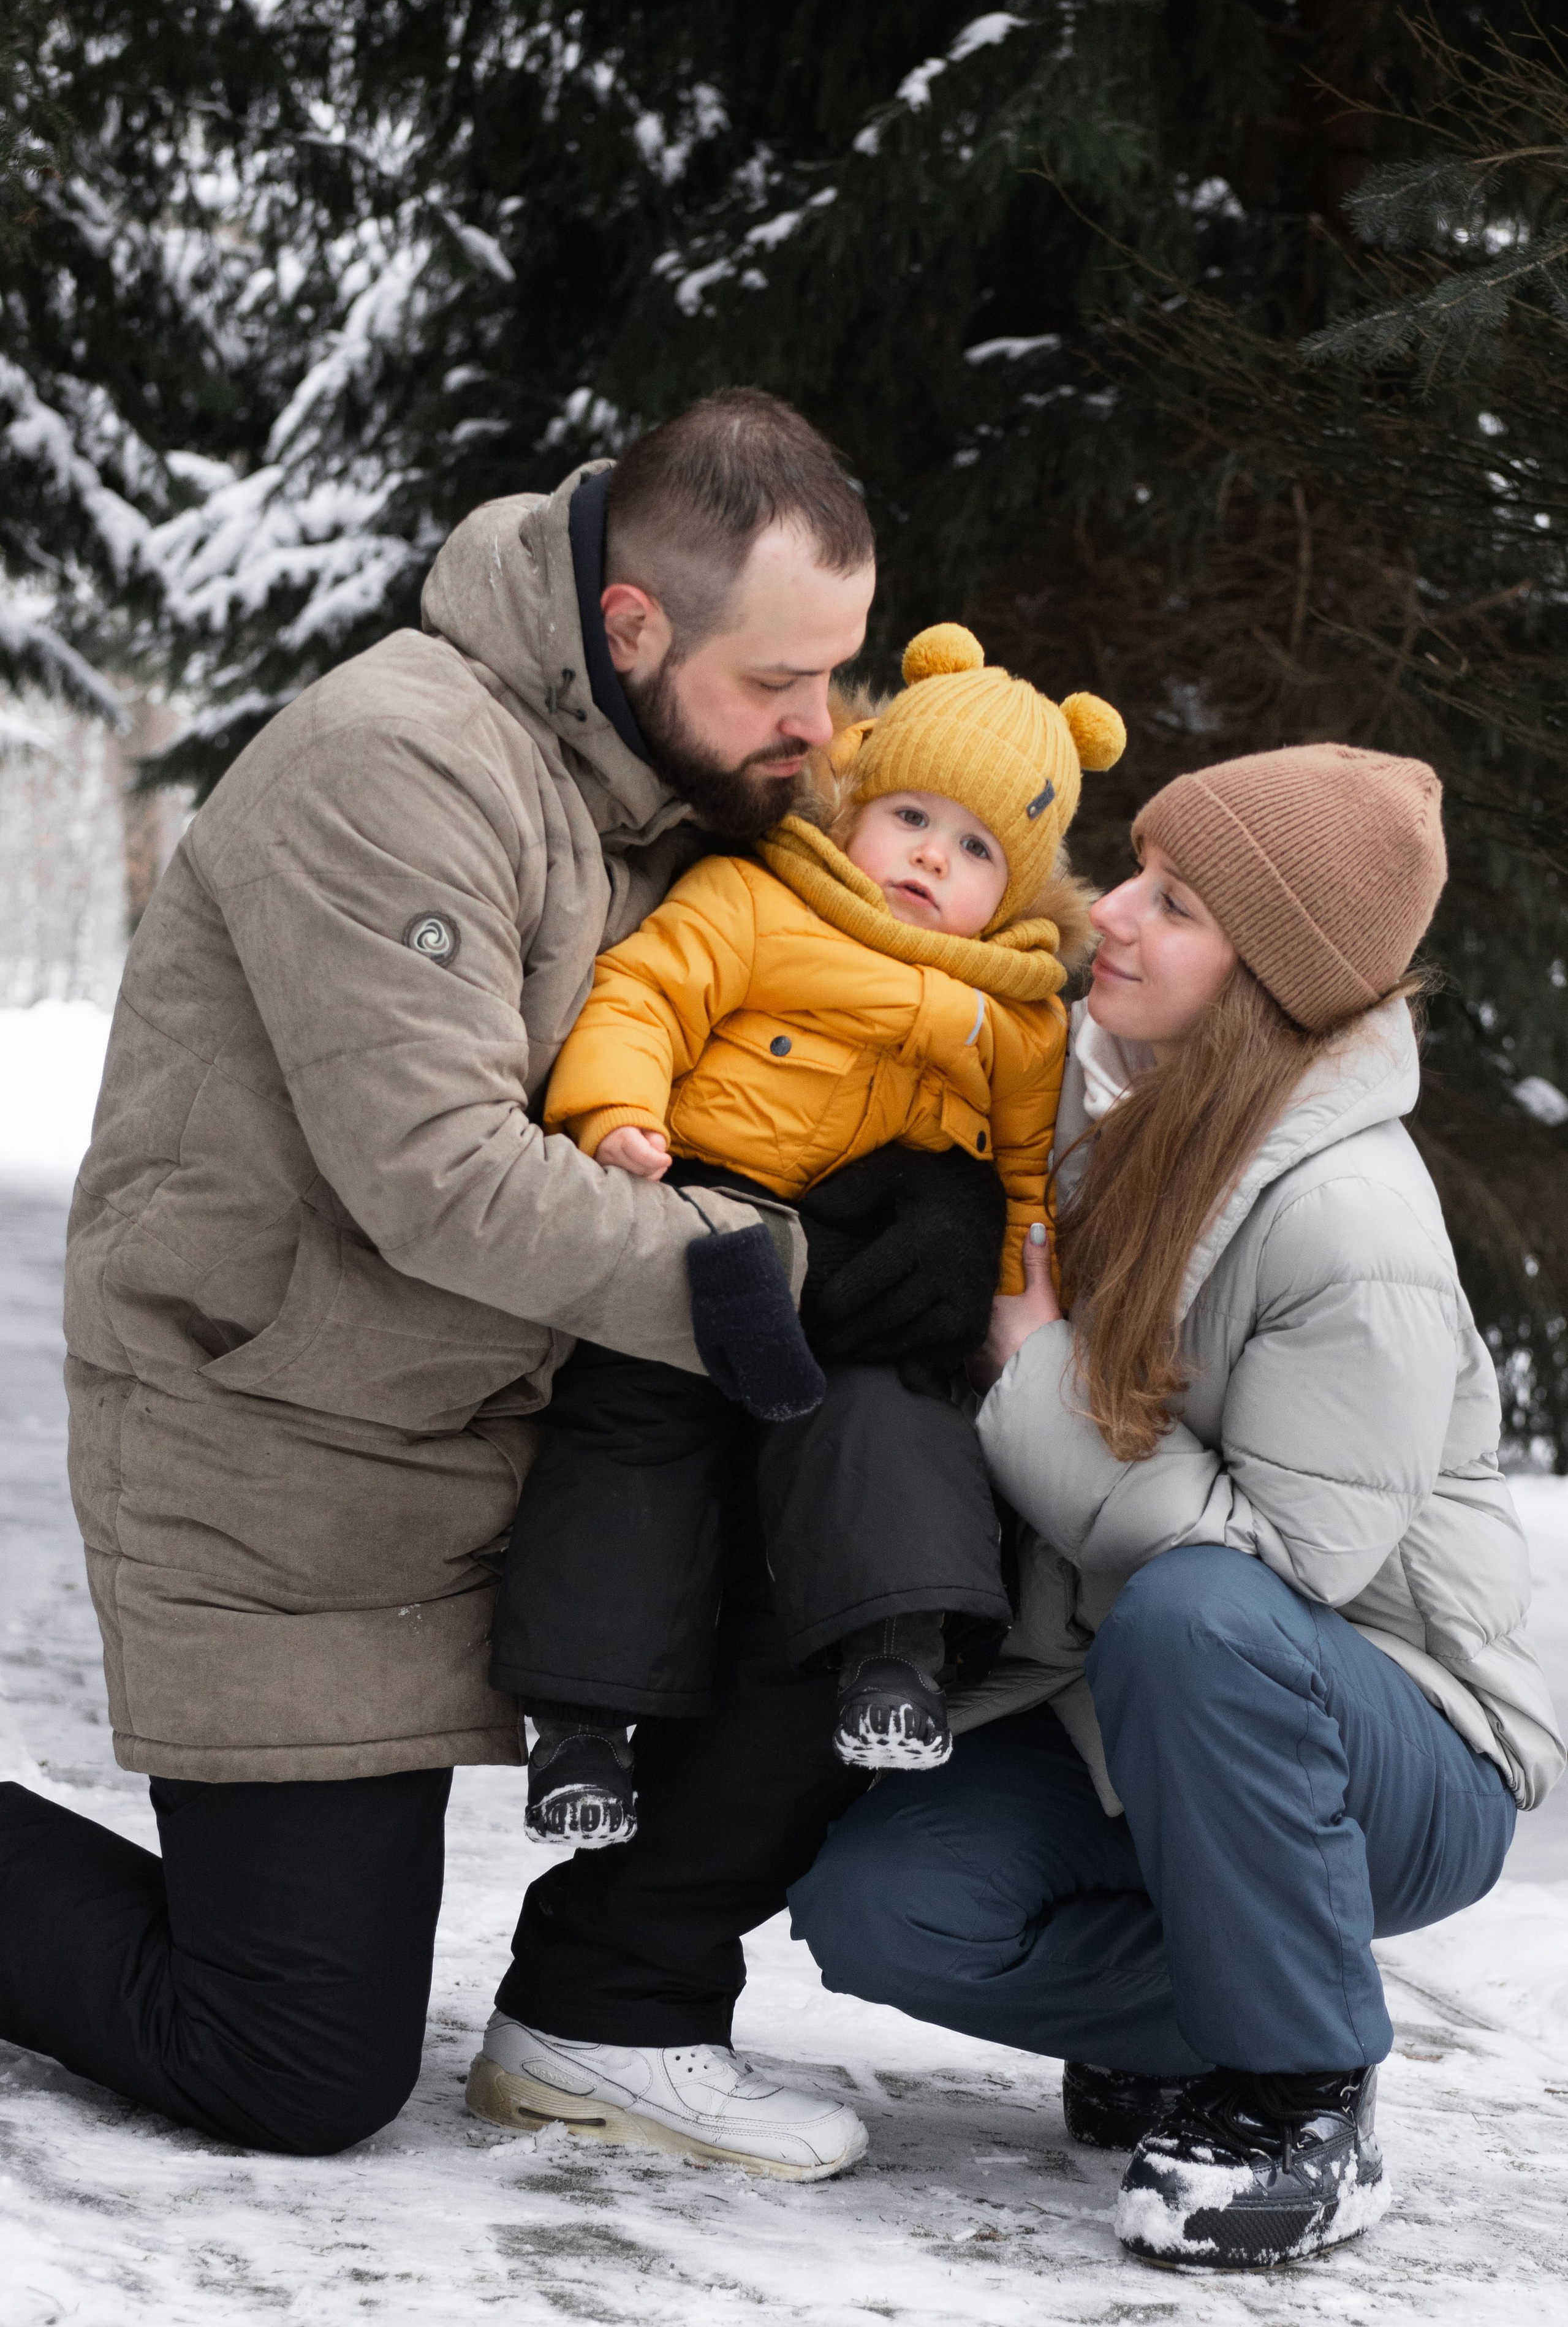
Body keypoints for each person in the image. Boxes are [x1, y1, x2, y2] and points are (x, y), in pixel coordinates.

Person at [0, 390, 1006, 2178]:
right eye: (783, 683)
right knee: (293, 2061)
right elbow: (443, 1178)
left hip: (533, 1433)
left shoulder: (702, 787)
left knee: (876, 1496)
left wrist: (925, 1207)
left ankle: (616, 2006)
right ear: (632, 627)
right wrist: (785, 1270)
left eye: (839, 674)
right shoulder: (396, 766)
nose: (824, 731)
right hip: (295, 1461)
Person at [790, 741, 1566, 2264]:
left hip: (1403, 1736)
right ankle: (1220, 2004)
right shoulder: (1099, 1116)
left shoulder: (1350, 1219)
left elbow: (1282, 1574)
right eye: (1135, 875)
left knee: (1201, 1614)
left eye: (1176, 906)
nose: (1111, 918)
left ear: (1268, 983)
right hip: (1131, 1700)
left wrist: (1032, 1377)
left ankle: (1297, 2091)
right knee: (881, 1908)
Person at [488, 624, 1122, 1844]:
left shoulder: (1019, 1011)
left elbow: (1027, 1175)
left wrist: (1008, 1304)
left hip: (875, 1269)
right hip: (706, 1214)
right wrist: (616, 1114)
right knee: (632, 1431)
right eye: (912, 820)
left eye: (975, 847)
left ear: (1019, 887)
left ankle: (892, 1660)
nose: (931, 859)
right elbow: (645, 998)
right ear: (854, 803)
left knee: (893, 1421)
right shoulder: (759, 893)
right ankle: (580, 1727)